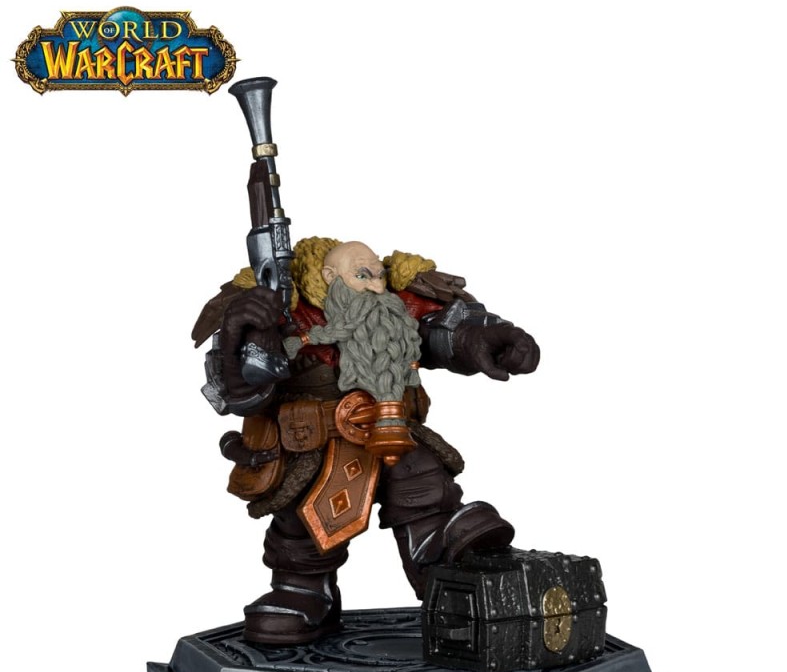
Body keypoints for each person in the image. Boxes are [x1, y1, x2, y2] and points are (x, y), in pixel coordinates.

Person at [192, 237, 540, 644]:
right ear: (329, 277)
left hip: (395, 433)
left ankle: (451, 586)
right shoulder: (283, 314)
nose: (376, 284)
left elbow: (438, 331)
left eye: (378, 274)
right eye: (362, 275)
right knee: (302, 525)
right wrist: (241, 334)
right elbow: (240, 395)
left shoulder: (391, 307)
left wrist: (480, 339)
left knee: (425, 499)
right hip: (313, 446)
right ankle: (305, 592)